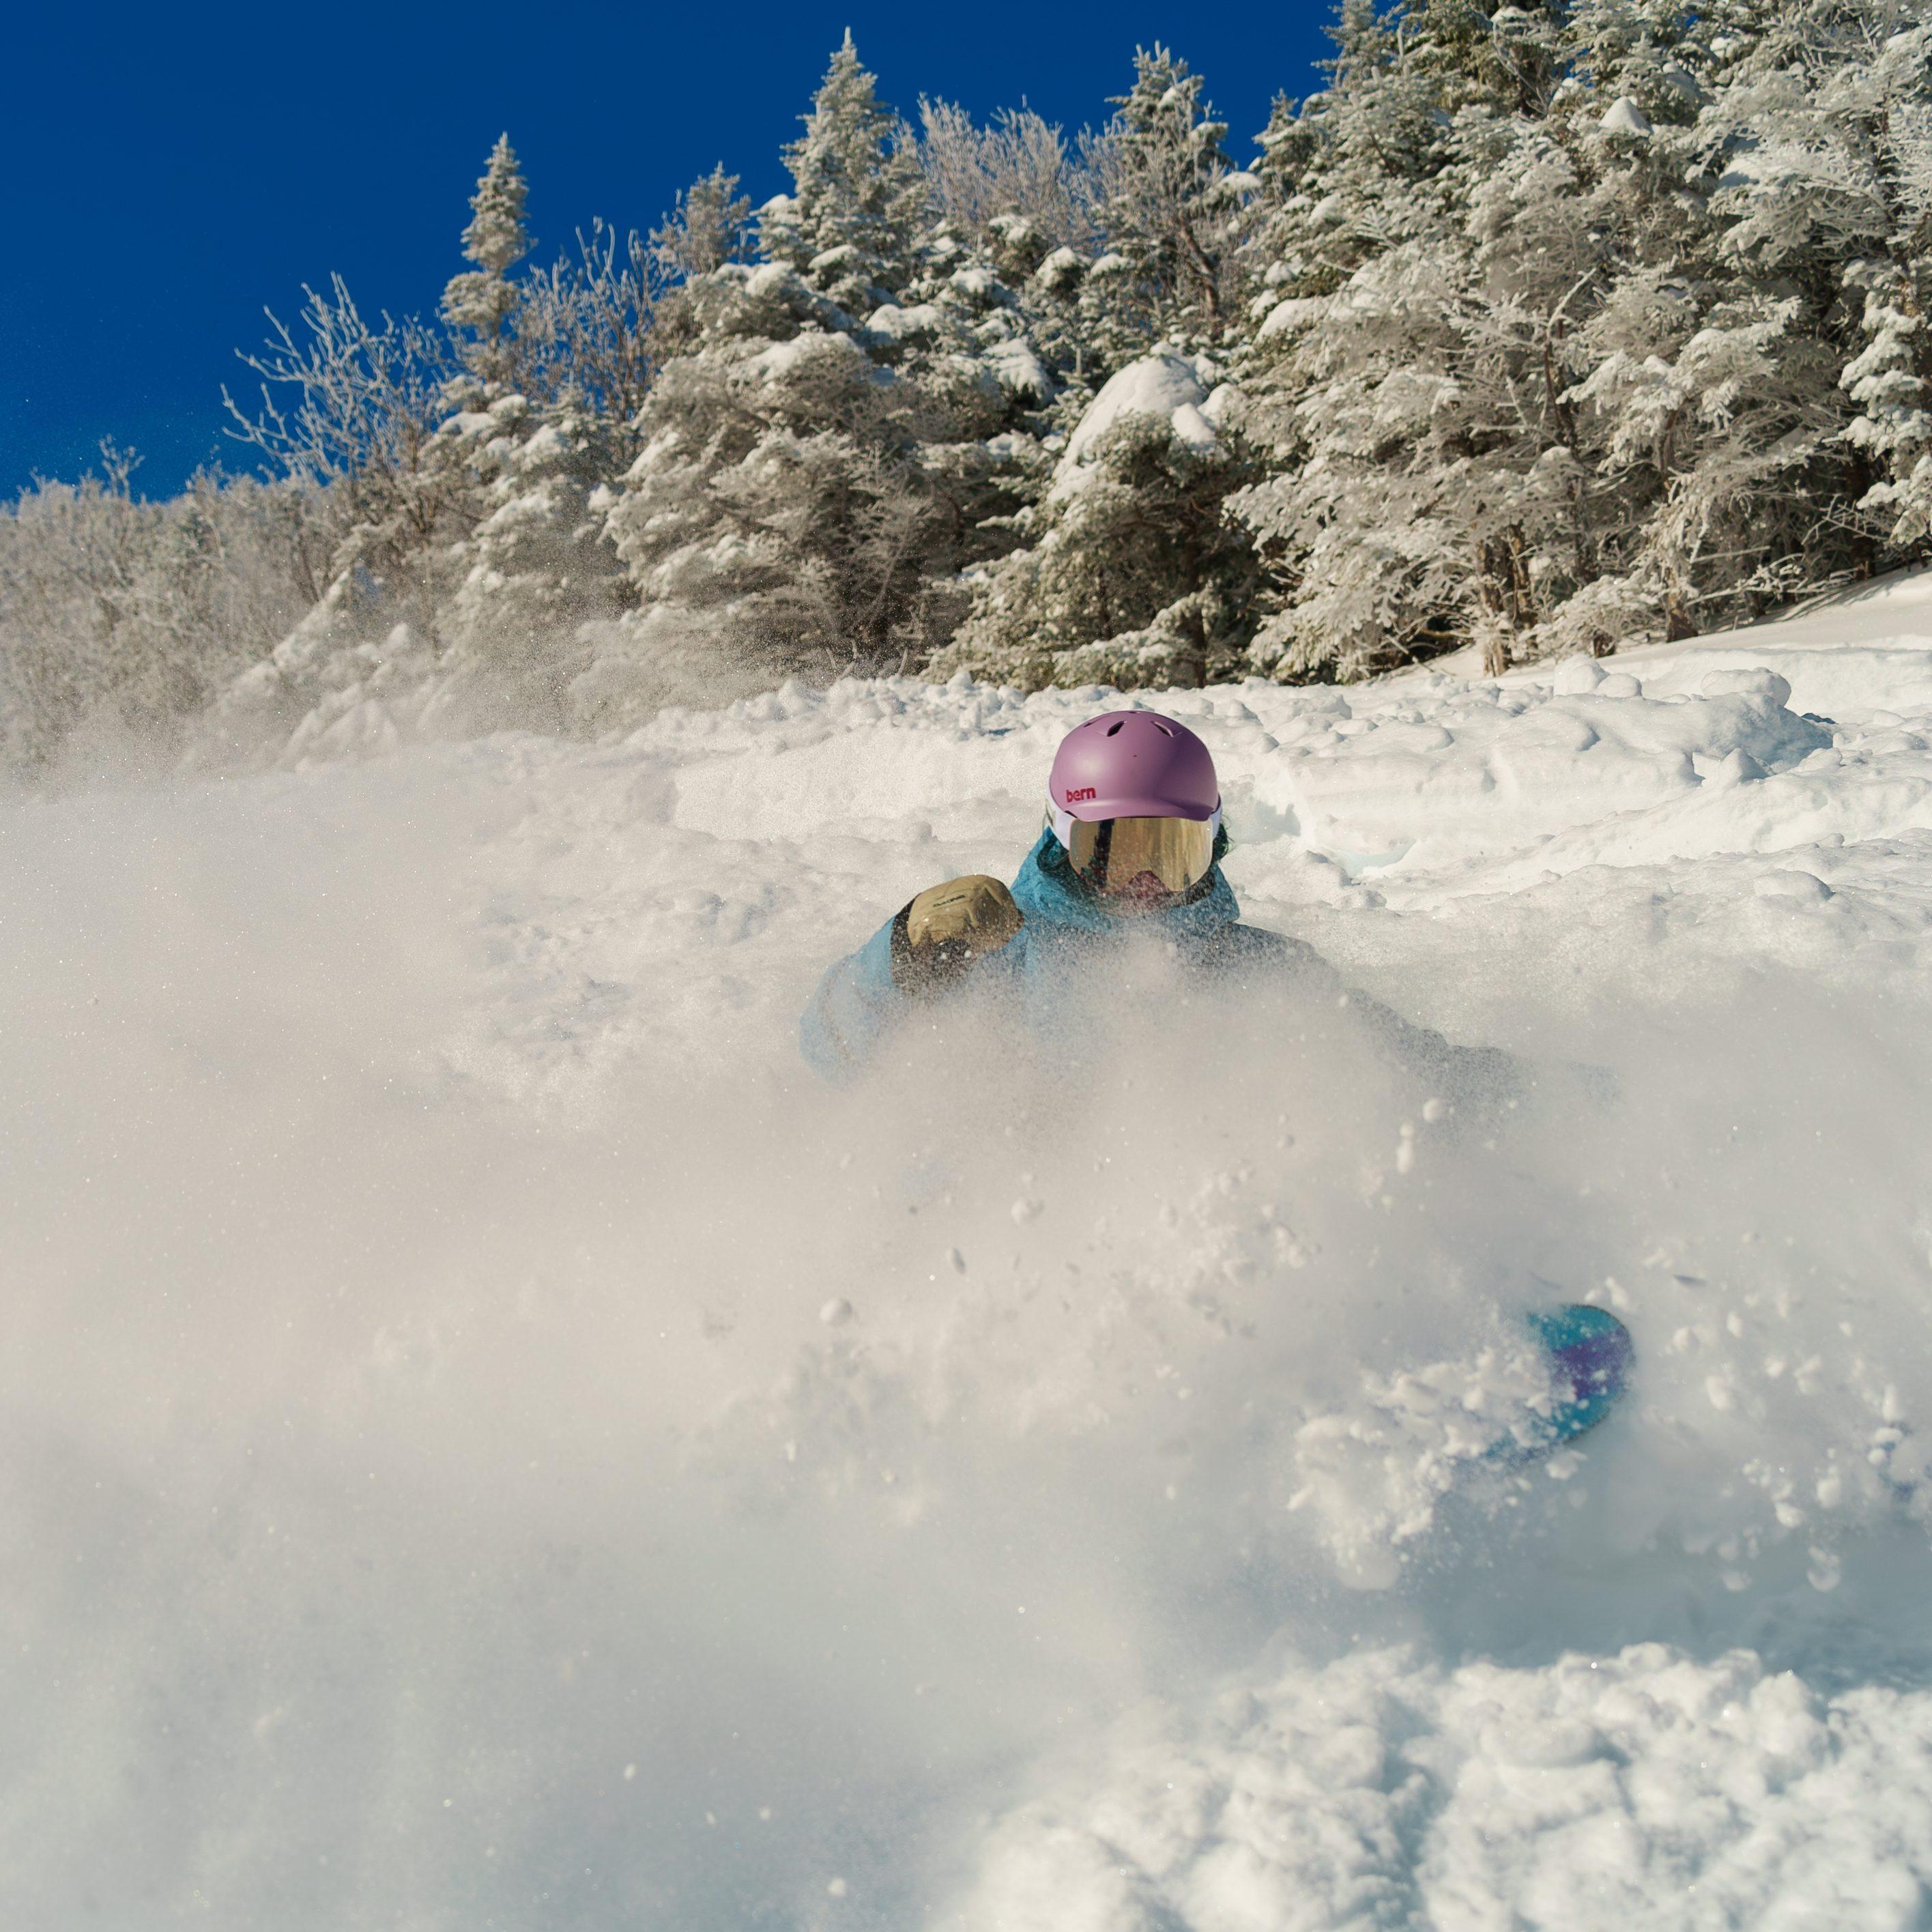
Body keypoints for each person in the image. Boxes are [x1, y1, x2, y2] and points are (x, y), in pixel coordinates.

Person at [799, 708, 1517, 1106]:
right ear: (1060, 842)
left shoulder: (1264, 973)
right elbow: (832, 1053)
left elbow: (1416, 1073)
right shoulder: (999, 955)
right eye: (1115, 851)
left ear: (1214, 842)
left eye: (1170, 851)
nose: (1145, 882)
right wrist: (905, 954)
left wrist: (1578, 1100)